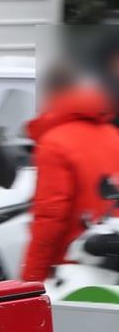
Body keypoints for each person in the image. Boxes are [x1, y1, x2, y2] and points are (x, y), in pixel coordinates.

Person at [20, 64, 119, 284]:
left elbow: (50, 219)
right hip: (111, 266)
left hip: (74, 275)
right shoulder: (113, 136)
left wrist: (30, 281)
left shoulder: (54, 143)